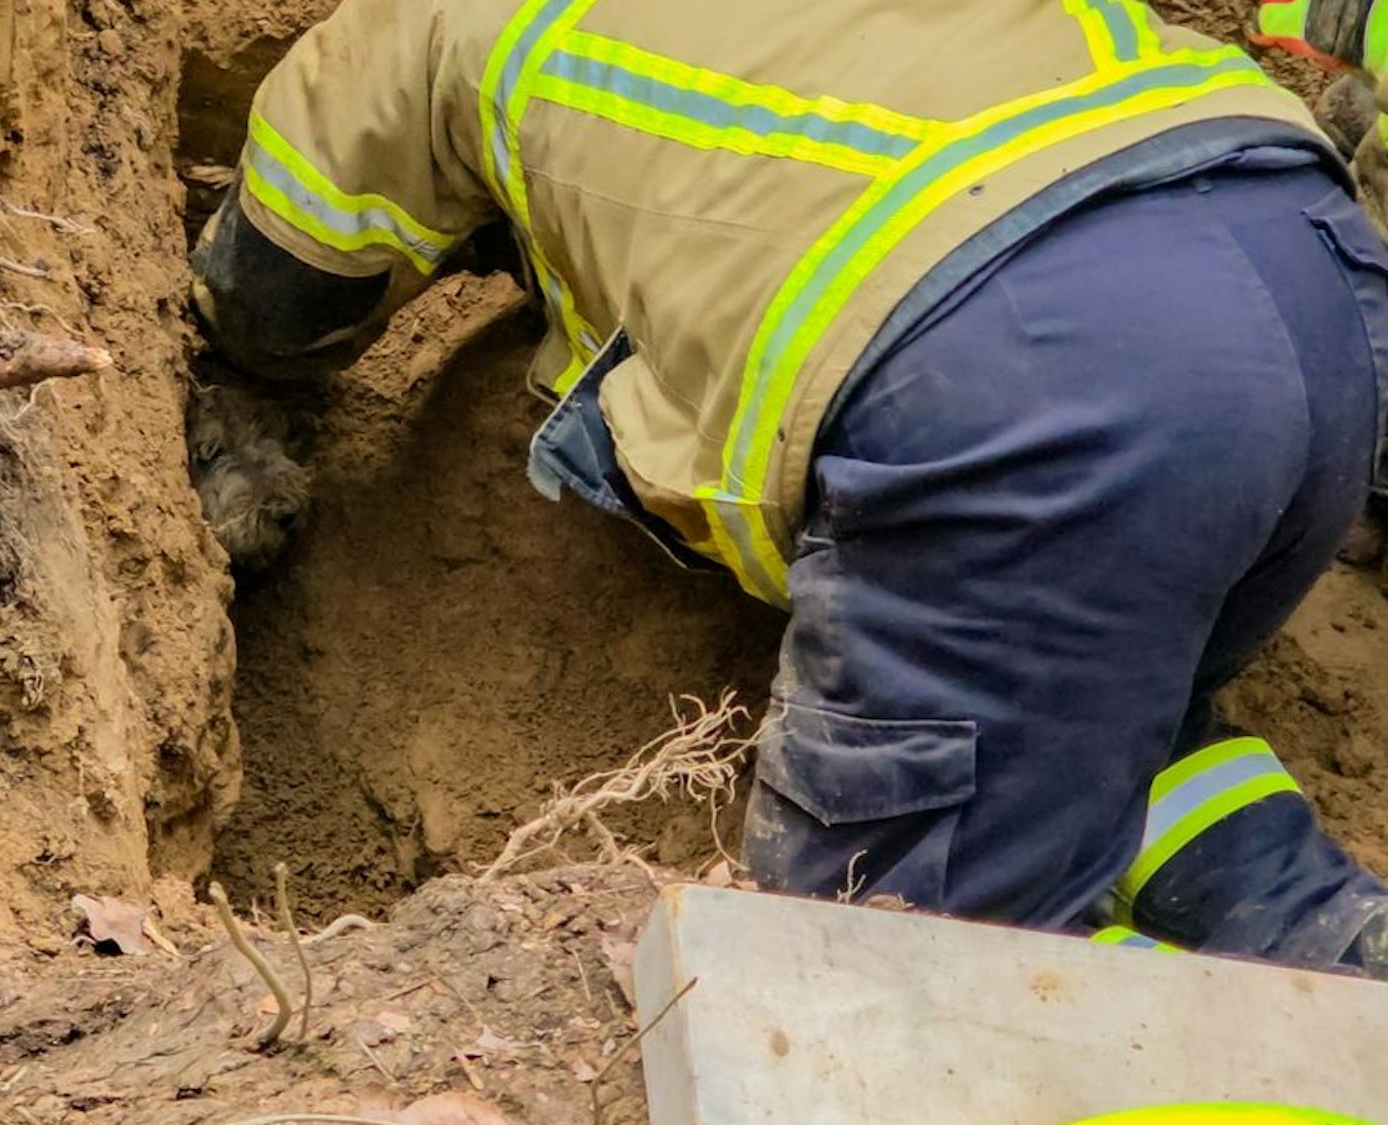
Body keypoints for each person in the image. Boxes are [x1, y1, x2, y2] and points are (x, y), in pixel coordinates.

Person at [186, 0, 1388, 977]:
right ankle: (1319, 940)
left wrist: (241, 372)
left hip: (1041, 360)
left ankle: (1240, 1070)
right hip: (1305, 264)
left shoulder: (444, 21)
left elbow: (290, 252)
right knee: (1083, 710)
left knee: (897, 969)